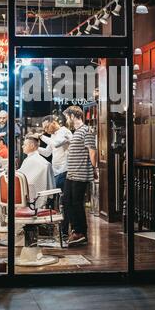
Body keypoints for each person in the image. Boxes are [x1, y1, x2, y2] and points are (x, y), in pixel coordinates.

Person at [63, 105, 97, 246]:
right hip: (71, 173)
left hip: (81, 173)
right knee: (67, 202)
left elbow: (92, 151)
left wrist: (94, 169)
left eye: (67, 117)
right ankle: (76, 230)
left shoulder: (86, 130)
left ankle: (81, 232)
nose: (66, 120)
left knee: (77, 203)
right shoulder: (76, 131)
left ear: (73, 116)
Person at [38, 116, 72, 237]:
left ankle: (65, 231)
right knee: (55, 200)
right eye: (44, 128)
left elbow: (57, 144)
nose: (46, 130)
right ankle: (55, 229)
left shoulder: (64, 132)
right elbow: (47, 152)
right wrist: (35, 148)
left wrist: (41, 137)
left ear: (54, 122)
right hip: (56, 172)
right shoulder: (52, 136)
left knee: (64, 202)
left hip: (65, 170)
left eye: (47, 126)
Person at [19, 133, 55, 208]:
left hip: (29, 196)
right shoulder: (31, 159)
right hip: (24, 194)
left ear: (32, 146)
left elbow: (28, 179)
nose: (22, 146)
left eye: (25, 145)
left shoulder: (39, 162)